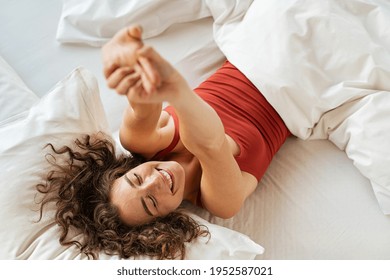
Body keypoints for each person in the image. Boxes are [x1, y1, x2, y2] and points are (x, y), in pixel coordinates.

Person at [36, 25, 290, 259]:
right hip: (300, 90)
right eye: (151, 202)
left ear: (127, 170)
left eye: (136, 179)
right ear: (166, 220)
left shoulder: (145, 142)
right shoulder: (221, 201)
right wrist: (176, 91)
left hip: (257, 47)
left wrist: (135, 69)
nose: (155, 181)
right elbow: (211, 145)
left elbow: (144, 108)